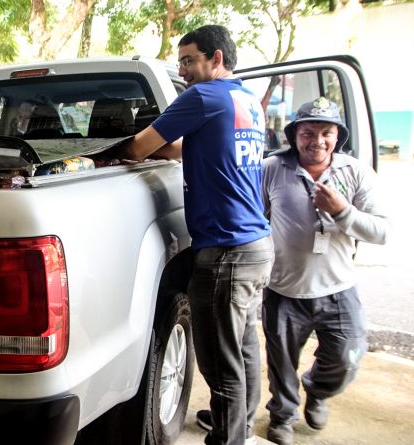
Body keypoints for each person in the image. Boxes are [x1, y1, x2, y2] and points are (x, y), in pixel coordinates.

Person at [123, 24, 273, 445]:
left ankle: (228, 440)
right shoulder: (245, 100)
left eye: (189, 60)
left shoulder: (203, 97)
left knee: (220, 367)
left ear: (216, 59)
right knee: (243, 350)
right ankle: (239, 427)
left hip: (226, 253)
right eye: (181, 61)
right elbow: (186, 147)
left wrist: (103, 151)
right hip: (256, 245)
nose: (183, 69)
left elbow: (138, 149)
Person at [260, 97, 389, 445]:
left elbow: (382, 231)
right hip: (284, 289)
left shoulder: (355, 172)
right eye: (308, 132)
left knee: (347, 357)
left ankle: (317, 391)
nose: (317, 140)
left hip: (339, 289)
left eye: (326, 132)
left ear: (338, 136)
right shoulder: (272, 168)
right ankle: (282, 416)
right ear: (294, 135)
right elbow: (256, 218)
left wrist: (344, 211)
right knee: (281, 364)